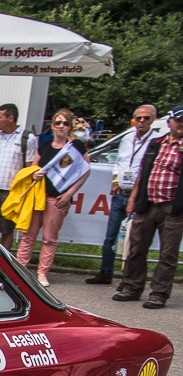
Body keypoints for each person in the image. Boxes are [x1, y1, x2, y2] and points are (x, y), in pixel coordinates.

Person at [113, 105, 183, 310]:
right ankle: (131, 288)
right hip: (147, 204)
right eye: (178, 120)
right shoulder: (156, 143)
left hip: (173, 207)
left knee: (168, 254)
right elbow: (142, 174)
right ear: (169, 122)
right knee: (136, 248)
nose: (181, 124)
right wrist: (134, 199)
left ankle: (159, 294)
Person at [16, 108, 92, 287]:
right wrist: (34, 175)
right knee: (28, 235)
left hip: (57, 199)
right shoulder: (44, 145)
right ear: (52, 125)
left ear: (70, 126)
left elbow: (85, 171)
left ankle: (42, 273)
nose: (61, 126)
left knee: (49, 238)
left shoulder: (76, 147)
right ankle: (20, 270)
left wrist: (69, 194)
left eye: (65, 123)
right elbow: (33, 169)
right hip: (38, 197)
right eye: (57, 122)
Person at [88, 105, 161, 285]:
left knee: (134, 239)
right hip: (120, 192)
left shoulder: (156, 141)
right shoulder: (127, 138)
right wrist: (114, 180)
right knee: (111, 236)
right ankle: (105, 272)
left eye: (146, 118)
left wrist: (137, 195)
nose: (142, 121)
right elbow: (118, 163)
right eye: (139, 118)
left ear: (153, 120)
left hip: (140, 196)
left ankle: (129, 278)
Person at [0, 103, 39, 251]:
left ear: (10, 118)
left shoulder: (27, 138)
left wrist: (23, 193)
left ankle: (2, 262)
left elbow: (29, 168)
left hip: (12, 192)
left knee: (7, 229)